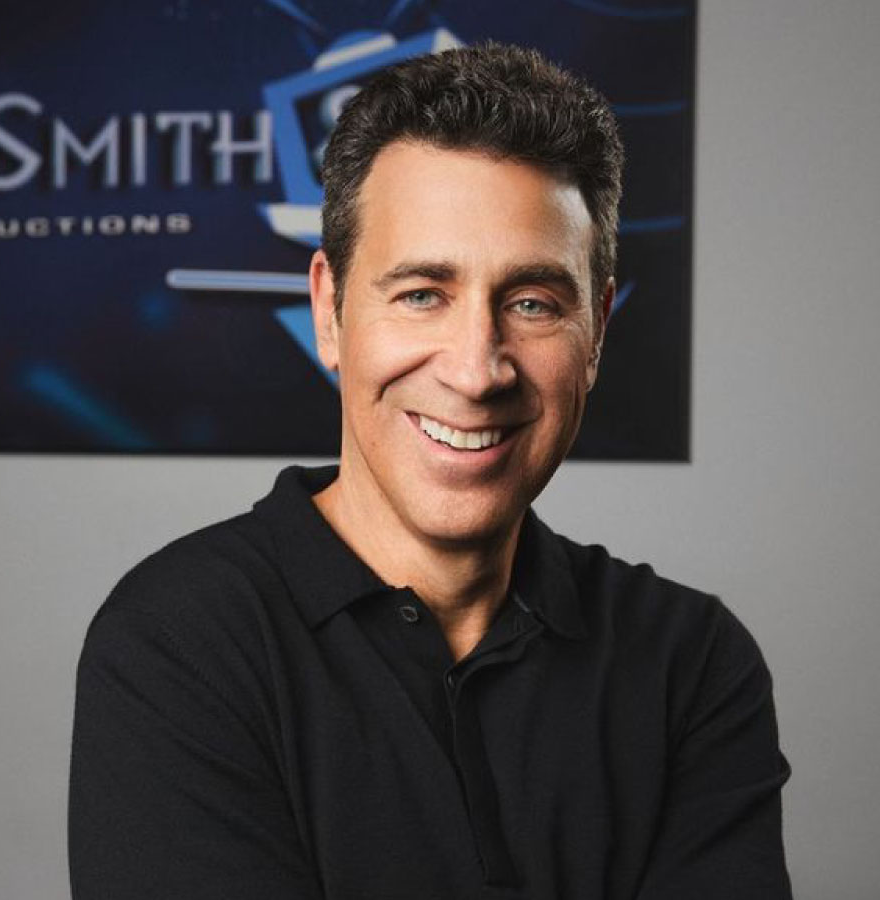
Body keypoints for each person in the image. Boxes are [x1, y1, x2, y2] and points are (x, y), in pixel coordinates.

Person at [68, 42, 791, 899]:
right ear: (329, 312)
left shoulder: (690, 663)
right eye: (422, 295)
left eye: (532, 303)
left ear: (597, 330)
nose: (477, 370)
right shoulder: (179, 643)